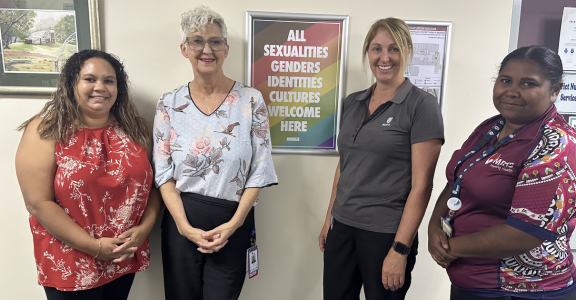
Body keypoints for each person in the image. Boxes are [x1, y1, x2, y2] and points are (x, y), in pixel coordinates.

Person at [428, 45, 576, 300]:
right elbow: (456, 180)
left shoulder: (557, 145)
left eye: (528, 84)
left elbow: (524, 233)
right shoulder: (491, 127)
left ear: (555, 91)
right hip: (472, 280)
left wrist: (449, 247)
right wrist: (433, 228)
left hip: (523, 289)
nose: (512, 91)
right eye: (505, 80)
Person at [15, 49, 162, 300]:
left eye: (109, 80)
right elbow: (37, 203)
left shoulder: (133, 128)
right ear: (72, 84)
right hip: (71, 260)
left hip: (121, 255)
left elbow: (153, 187)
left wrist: (143, 229)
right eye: (90, 79)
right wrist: (94, 247)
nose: (100, 87)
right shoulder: (45, 131)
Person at [153, 5, 277, 300]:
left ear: (226, 48)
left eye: (215, 41)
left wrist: (234, 225)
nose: (206, 49)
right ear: (184, 48)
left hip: (232, 221)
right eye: (197, 41)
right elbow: (162, 170)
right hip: (181, 221)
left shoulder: (250, 100)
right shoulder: (169, 103)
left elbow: (260, 169)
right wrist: (184, 227)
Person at [318, 18, 444, 300]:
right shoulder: (353, 102)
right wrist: (329, 220)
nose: (384, 58)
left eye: (393, 49)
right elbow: (345, 165)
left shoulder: (422, 105)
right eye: (376, 49)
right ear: (368, 53)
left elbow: (422, 186)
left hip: (386, 234)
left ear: (407, 50)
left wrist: (400, 249)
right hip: (343, 226)